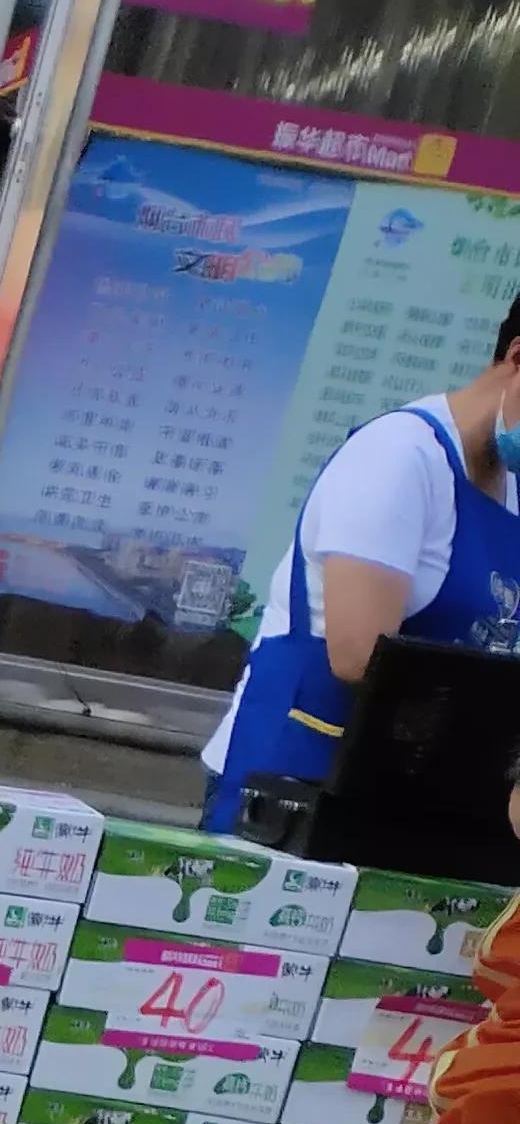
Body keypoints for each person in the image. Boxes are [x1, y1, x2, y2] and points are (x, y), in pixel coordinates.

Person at [204, 297, 520, 835]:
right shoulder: (399, 457)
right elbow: (359, 655)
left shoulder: (513, 491)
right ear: (515, 355)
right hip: (293, 784)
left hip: (418, 797)